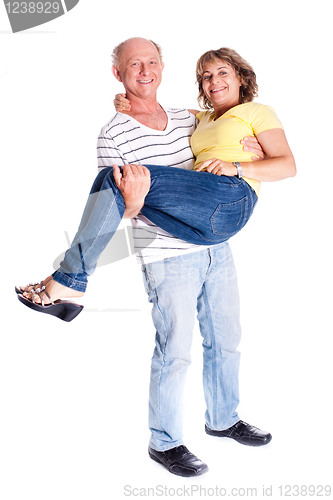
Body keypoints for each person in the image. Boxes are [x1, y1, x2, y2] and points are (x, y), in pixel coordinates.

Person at [17, 38, 296, 476]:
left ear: (163, 67)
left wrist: (245, 160)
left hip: (215, 244)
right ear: (119, 74)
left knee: (225, 340)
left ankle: (224, 420)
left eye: (151, 62)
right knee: (175, 351)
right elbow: (118, 211)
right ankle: (165, 443)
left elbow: (252, 146)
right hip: (167, 255)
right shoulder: (114, 131)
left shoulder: (190, 118)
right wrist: (135, 195)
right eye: (133, 65)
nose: (144, 71)